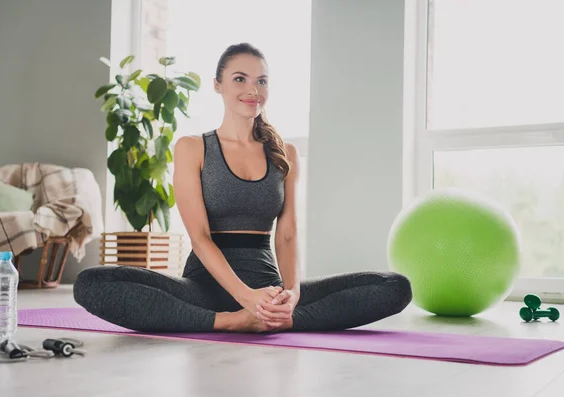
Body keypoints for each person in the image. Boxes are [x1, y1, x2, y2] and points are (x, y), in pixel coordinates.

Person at [73, 43, 412, 333]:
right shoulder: (192, 147)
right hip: (204, 288)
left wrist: (290, 294)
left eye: (261, 81)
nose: (253, 90)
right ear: (218, 85)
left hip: (269, 290)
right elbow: (200, 238)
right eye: (240, 79)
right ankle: (231, 322)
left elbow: (288, 234)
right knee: (93, 283)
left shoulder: (285, 154)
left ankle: (279, 319)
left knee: (394, 287)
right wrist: (245, 300)